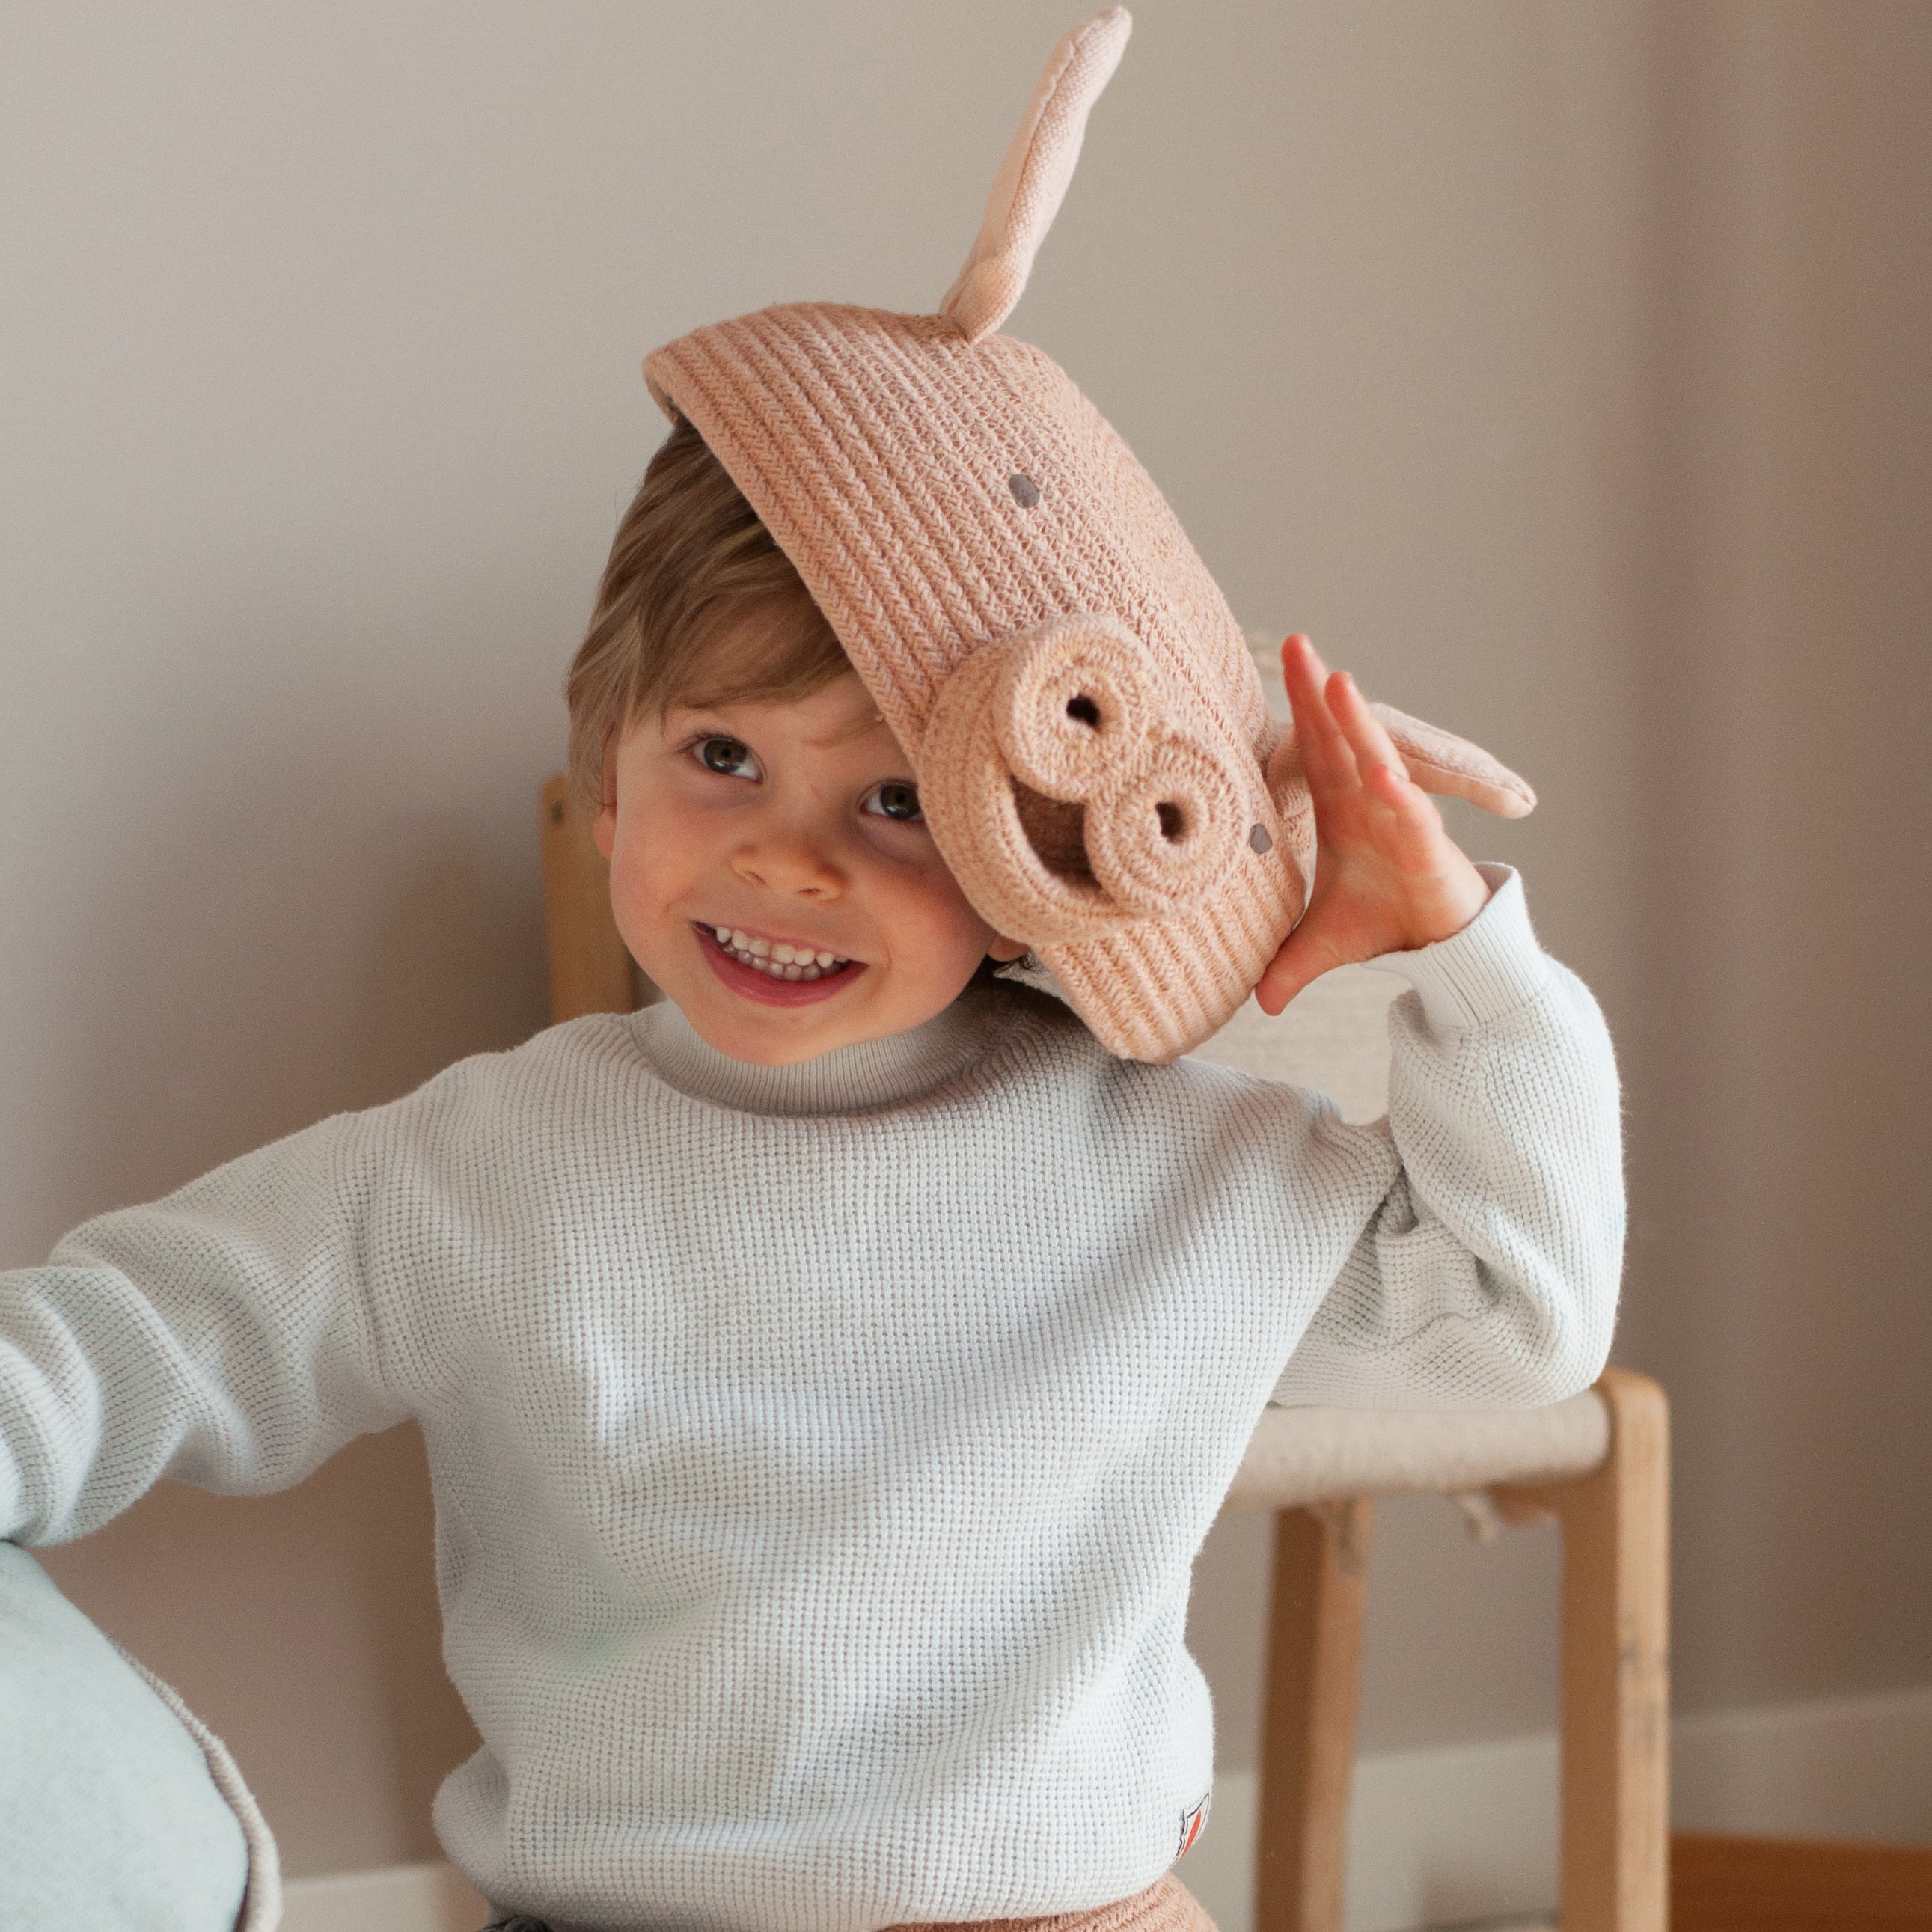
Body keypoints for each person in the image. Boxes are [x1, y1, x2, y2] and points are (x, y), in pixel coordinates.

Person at [0, 13, 1621, 1932]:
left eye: (899, 804)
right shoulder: (475, 1171)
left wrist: (1459, 959)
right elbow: (132, 1338)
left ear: (1028, 852)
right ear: (609, 777)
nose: (786, 857)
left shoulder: (1172, 1163)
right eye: (721, 757)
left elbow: (1514, 1317)